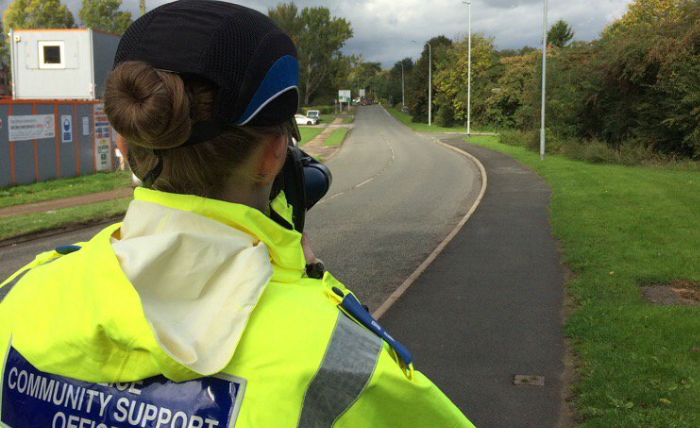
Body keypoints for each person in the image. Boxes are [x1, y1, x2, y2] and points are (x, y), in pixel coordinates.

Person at [0, 1, 476, 427]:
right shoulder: (341, 361)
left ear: (123, 144)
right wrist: (300, 277)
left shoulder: (22, 294)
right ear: (274, 155)